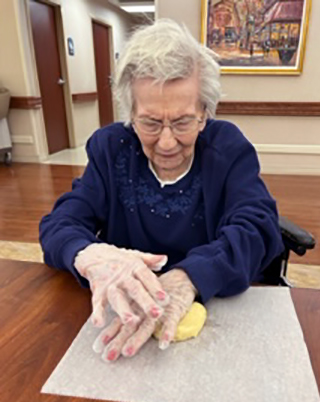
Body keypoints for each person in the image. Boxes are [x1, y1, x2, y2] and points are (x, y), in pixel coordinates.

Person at [39, 19, 284, 362]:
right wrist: (88, 255)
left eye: (183, 122)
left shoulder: (227, 148)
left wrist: (188, 277)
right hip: (121, 320)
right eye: (151, 123)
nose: (167, 142)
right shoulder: (111, 149)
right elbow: (59, 224)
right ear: (130, 114)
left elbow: (259, 227)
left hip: (213, 318)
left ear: (204, 114)